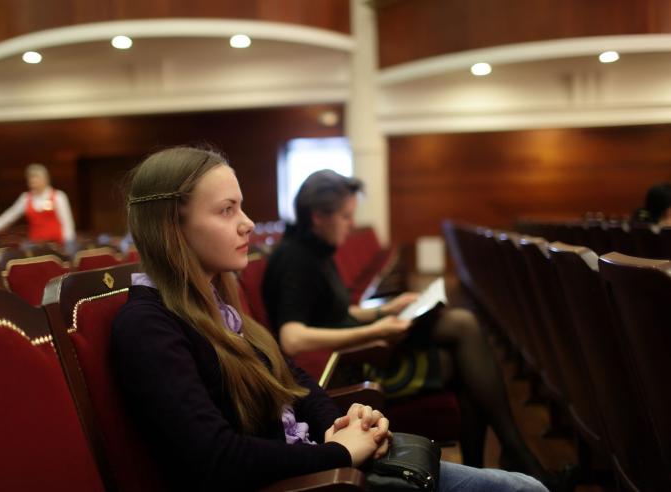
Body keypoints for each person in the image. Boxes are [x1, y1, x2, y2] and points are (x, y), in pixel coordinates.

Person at [111, 146, 547, 491]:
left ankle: (515, 454)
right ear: (173, 225)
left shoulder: (215, 302)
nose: (247, 224)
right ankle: (516, 453)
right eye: (227, 210)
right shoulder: (149, 326)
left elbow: (290, 377)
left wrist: (340, 422)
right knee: (524, 489)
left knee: (523, 485)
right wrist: (339, 453)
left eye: (241, 208)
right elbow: (218, 459)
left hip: (314, 461)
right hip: (308, 477)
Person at [262, 170, 557, 487]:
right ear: (318, 216)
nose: (351, 224)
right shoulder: (295, 258)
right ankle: (513, 457)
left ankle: (506, 459)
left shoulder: (316, 250)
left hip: (361, 351)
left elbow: (332, 314)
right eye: (346, 216)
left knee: (463, 340)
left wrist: (385, 309)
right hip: (356, 365)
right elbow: (293, 337)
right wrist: (376, 331)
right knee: (462, 340)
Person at [0, 163, 75, 245]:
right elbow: (9, 216)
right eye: (30, 179)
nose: (32, 181)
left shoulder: (59, 196)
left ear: (45, 180)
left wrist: (69, 243)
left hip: (57, 243)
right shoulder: (25, 198)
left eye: (35, 178)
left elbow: (67, 223)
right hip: (35, 243)